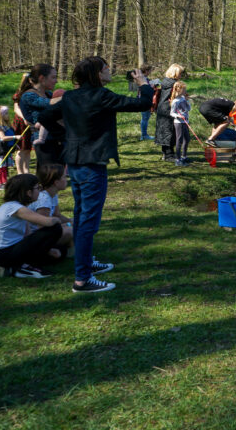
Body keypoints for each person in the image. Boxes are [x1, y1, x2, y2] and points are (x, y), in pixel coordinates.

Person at [38, 56, 153, 293]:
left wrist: (68, 135)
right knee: (88, 221)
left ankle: (87, 263)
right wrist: (143, 83)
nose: (110, 70)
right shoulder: (102, 96)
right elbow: (141, 104)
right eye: (106, 68)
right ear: (97, 74)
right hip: (91, 165)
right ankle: (82, 280)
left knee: (81, 217)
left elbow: (44, 117)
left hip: (75, 163)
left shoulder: (70, 96)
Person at [0, 173, 68, 279]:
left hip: (11, 250)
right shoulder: (16, 208)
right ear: (29, 193)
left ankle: (24, 265)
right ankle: (19, 268)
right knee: (55, 228)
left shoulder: (14, 206)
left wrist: (49, 250)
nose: (40, 191)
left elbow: (28, 234)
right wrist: (59, 220)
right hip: (5, 254)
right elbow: (47, 222)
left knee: (61, 251)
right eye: (37, 188)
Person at [12, 64, 57, 174]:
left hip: (57, 138)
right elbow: (47, 104)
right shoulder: (29, 96)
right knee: (47, 173)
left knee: (55, 172)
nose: (56, 81)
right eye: (53, 77)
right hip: (43, 141)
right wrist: (69, 97)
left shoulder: (49, 94)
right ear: (42, 78)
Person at [29, 163, 75, 259]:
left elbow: (56, 214)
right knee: (72, 231)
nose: (66, 179)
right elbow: (43, 228)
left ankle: (72, 253)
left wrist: (71, 221)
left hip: (47, 230)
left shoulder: (53, 194)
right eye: (64, 177)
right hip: (34, 236)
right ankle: (70, 254)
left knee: (75, 224)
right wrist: (68, 225)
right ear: (56, 182)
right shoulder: (44, 199)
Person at [155, 64, 185, 163]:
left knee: (165, 131)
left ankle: (166, 153)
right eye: (180, 73)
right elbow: (178, 95)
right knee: (170, 132)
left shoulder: (165, 81)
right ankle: (168, 155)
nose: (181, 75)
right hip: (168, 109)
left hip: (163, 107)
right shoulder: (174, 83)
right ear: (175, 73)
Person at [0, 105, 19, 190]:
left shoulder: (6, 126)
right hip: (0, 151)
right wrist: (15, 137)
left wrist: (15, 144)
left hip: (6, 150)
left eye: (7, 113)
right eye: (5, 114)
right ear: (0, 116)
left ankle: (5, 182)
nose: (8, 115)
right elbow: (3, 138)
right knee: (0, 168)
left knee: (5, 167)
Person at [130, 64, 157, 140]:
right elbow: (143, 89)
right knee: (145, 118)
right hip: (144, 99)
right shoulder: (142, 79)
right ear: (146, 71)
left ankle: (144, 134)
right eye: (150, 70)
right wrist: (151, 86)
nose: (150, 72)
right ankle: (144, 135)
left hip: (142, 99)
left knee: (145, 117)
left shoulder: (142, 78)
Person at [170, 81, 191, 166]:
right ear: (178, 90)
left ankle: (184, 156)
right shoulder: (175, 101)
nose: (185, 91)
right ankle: (178, 160)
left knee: (187, 139)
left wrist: (187, 101)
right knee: (179, 140)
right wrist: (178, 116)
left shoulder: (183, 98)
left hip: (185, 121)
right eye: (184, 89)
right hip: (178, 122)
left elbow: (188, 109)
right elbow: (172, 113)